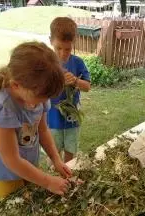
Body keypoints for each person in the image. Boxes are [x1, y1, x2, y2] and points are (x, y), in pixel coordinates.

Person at [0, 41, 72, 200]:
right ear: (15, 85)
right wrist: (47, 181)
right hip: (5, 176)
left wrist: (56, 159)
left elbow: (42, 130)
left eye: (45, 99)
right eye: (40, 98)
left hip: (30, 167)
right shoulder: (2, 108)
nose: (43, 103)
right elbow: (12, 160)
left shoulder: (38, 95)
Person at [47, 17, 91, 163]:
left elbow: (87, 87)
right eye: (58, 48)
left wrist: (76, 81)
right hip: (52, 118)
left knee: (70, 152)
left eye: (67, 49)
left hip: (72, 119)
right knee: (53, 153)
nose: (62, 53)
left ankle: (68, 173)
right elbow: (40, 90)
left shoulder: (78, 63)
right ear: (50, 41)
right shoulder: (46, 64)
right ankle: (55, 176)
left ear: (73, 44)